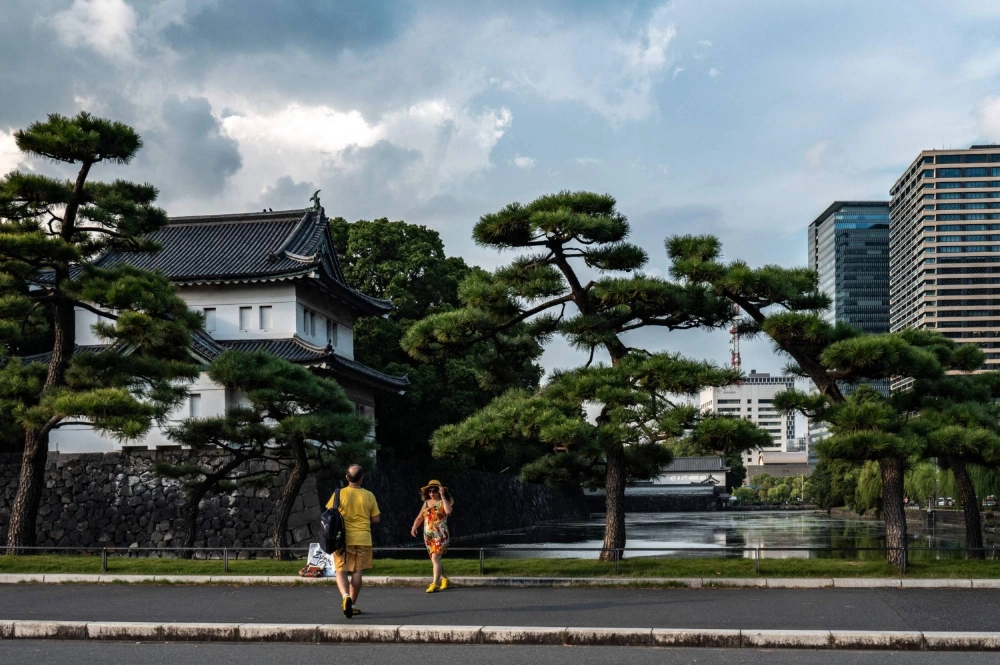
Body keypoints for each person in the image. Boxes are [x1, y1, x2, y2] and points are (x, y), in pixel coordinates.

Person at [327, 464, 380, 619]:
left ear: (347, 478)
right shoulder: (369, 495)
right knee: (357, 571)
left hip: (343, 539)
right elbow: (376, 518)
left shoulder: (339, 494)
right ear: (362, 478)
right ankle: (352, 605)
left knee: (340, 570)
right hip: (364, 538)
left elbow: (329, 513)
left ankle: (345, 596)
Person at [410, 479, 454, 593]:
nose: (432, 493)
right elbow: (420, 517)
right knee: (435, 560)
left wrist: (443, 497)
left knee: (435, 558)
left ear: (440, 491)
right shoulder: (426, 503)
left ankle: (434, 583)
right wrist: (414, 527)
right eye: (430, 491)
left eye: (434, 490)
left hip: (440, 535)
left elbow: (448, 511)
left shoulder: (444, 501)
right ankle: (445, 579)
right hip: (428, 535)